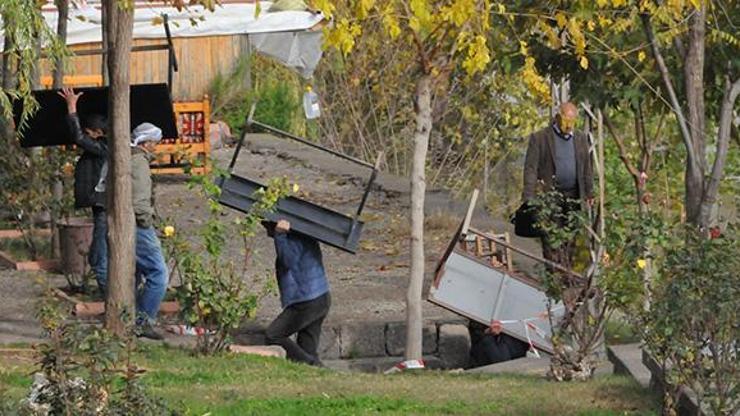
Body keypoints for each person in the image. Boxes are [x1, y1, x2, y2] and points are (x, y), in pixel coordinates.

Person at [522, 101, 594, 273]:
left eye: (572, 120)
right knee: (551, 235)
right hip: (550, 195)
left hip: (573, 195)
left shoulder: (580, 139)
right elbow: (530, 169)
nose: (569, 125)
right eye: (566, 119)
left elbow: (586, 168)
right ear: (558, 117)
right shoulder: (540, 138)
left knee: (570, 236)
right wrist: (528, 197)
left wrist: (590, 192)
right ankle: (553, 273)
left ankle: (565, 273)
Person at [58, 87, 109, 296]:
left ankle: (111, 299)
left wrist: (72, 107)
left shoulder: (103, 148)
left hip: (103, 206)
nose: (87, 140)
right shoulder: (105, 147)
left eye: (90, 134)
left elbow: (78, 137)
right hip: (101, 205)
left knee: (98, 257)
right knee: (100, 254)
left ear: (98, 133)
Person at [263, 220, 330, 366]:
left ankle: (315, 366)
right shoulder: (306, 232)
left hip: (306, 301)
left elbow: (288, 261)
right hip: (321, 297)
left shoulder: (292, 239)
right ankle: (315, 374)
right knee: (307, 350)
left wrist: (280, 235)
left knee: (274, 335)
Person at [130, 123, 168, 340]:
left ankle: (131, 316)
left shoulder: (129, 158)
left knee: (134, 273)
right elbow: (140, 200)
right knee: (159, 273)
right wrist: (147, 222)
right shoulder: (139, 164)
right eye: (155, 143)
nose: (156, 147)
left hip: (128, 223)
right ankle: (144, 321)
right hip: (138, 225)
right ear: (146, 142)